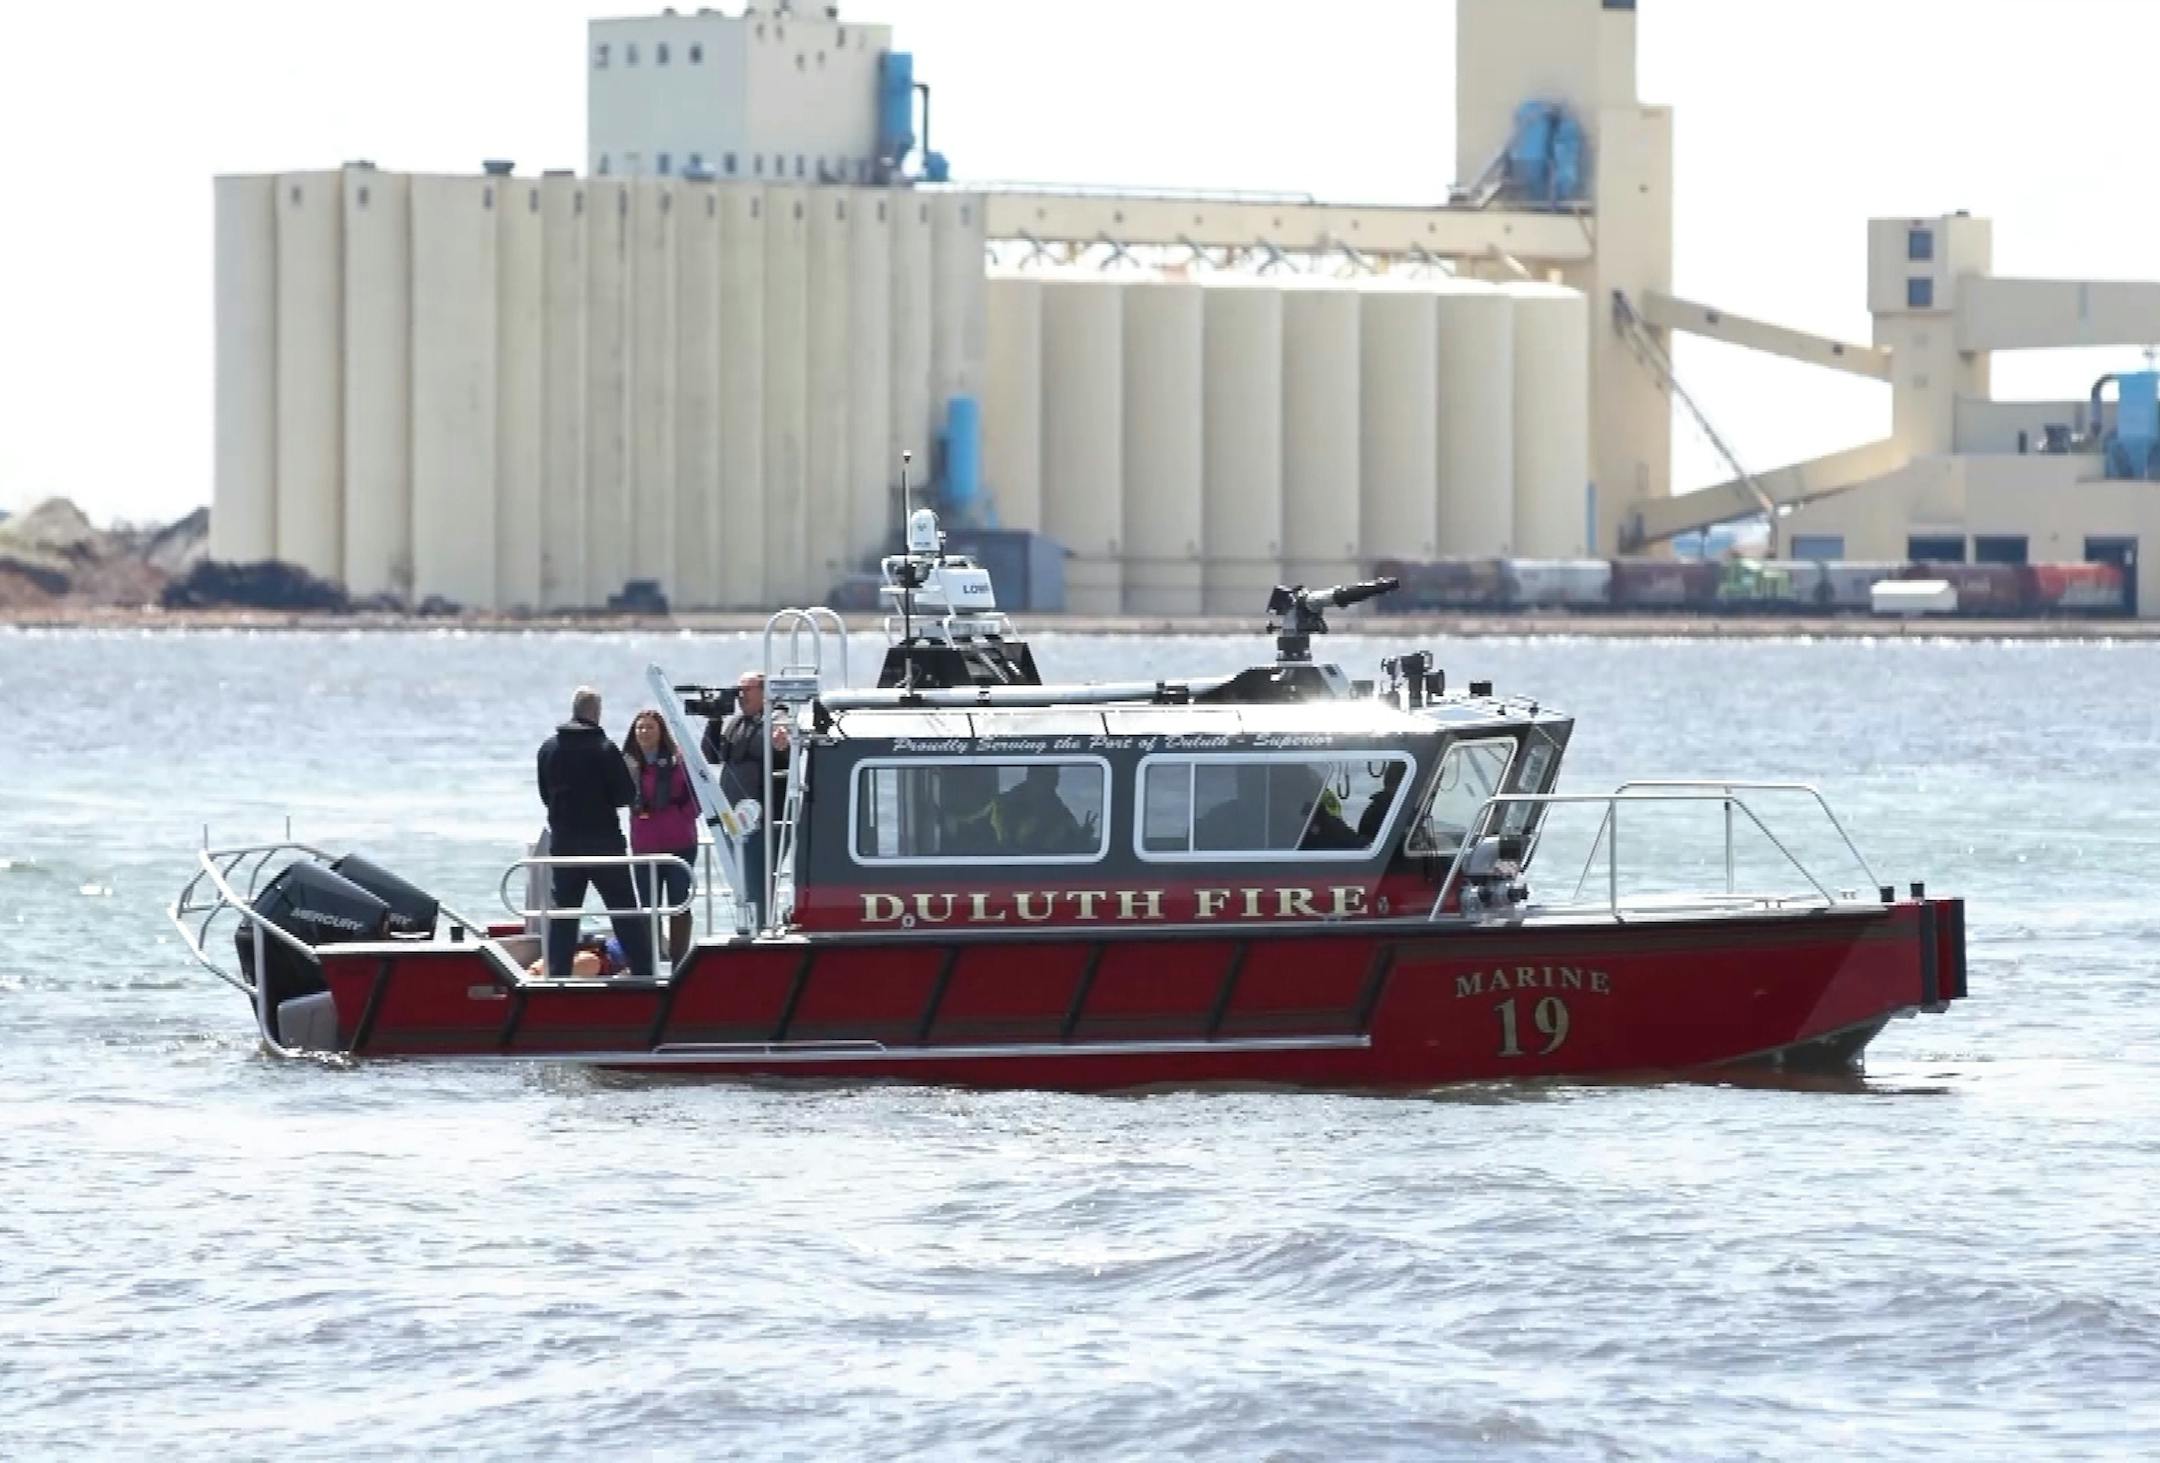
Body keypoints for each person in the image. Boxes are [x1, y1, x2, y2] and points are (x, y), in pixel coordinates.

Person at [535, 686, 656, 981]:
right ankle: (644, 972)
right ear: (596, 713)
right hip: (604, 844)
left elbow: (544, 795)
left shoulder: (548, 749)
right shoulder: (605, 749)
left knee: (563, 914)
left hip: (564, 843)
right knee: (624, 910)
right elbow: (624, 795)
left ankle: (556, 975)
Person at [710, 670, 791, 924]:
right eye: (739, 690)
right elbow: (711, 756)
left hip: (764, 819)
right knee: (742, 882)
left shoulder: (778, 718)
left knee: (758, 881)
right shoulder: (736, 723)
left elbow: (784, 745)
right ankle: (751, 926)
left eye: (747, 690)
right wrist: (714, 719)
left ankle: (764, 927)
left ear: (764, 692)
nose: (740, 696)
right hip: (734, 819)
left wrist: (783, 741)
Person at [624, 709, 699, 963]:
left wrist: (680, 816)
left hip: (680, 843)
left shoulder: (679, 762)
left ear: (661, 731)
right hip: (645, 845)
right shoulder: (627, 763)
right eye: (640, 728)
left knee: (679, 904)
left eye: (650, 727)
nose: (644, 732)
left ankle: (680, 960)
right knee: (648, 905)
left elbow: (697, 797)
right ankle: (652, 959)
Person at [962, 763, 1093, 854]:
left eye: (1055, 778)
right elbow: (971, 829)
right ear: (1032, 777)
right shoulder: (1001, 804)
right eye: (1049, 777)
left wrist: (1084, 835)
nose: (1054, 783)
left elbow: (1073, 844)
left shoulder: (1060, 812)